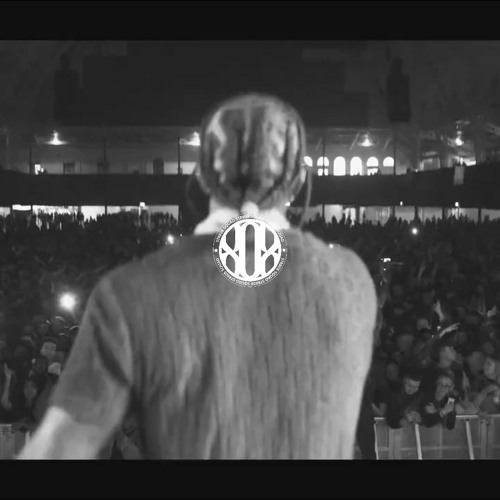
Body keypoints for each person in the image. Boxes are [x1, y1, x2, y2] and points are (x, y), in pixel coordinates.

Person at [18, 94, 377, 459]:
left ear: (203, 176)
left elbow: (58, 451)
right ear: (299, 180)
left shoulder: (128, 293)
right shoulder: (352, 282)